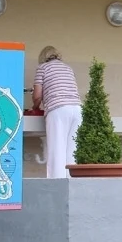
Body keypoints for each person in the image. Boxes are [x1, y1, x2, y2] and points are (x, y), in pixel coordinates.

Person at [32, 46, 82, 179]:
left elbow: (37, 96)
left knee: (57, 149)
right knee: (73, 151)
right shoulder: (68, 68)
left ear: (42, 57)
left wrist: (34, 106)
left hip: (58, 109)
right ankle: (71, 185)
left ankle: (56, 186)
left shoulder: (42, 68)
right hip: (77, 109)